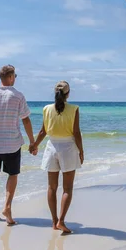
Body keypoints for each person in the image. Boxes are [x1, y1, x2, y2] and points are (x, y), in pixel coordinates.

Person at [0, 65, 35, 226]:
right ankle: (7, 208)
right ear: (10, 77)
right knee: (12, 175)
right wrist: (32, 141)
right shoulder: (17, 96)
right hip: (12, 143)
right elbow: (25, 119)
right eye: (15, 76)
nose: (15, 78)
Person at [30, 81, 84, 234]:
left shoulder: (47, 109)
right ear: (68, 93)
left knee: (51, 188)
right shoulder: (74, 109)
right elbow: (76, 133)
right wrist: (81, 151)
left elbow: (43, 132)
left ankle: (54, 222)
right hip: (68, 148)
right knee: (67, 188)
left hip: (51, 147)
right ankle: (61, 221)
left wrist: (34, 145)